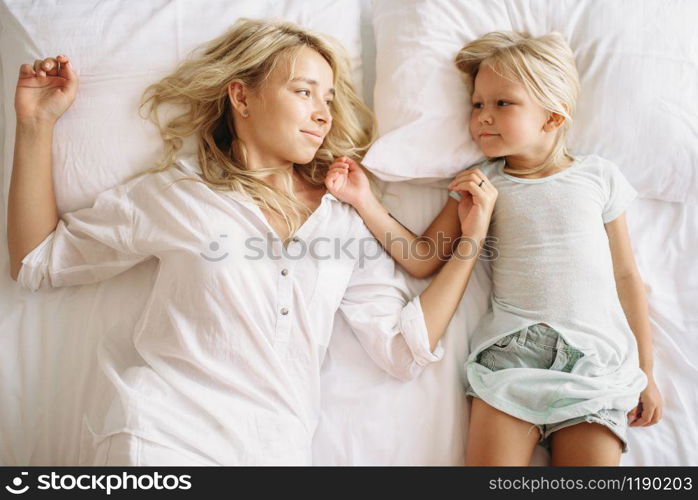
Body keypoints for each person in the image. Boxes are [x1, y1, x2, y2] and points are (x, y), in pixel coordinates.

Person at [7, 18, 496, 465]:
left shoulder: (343, 217)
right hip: (160, 438)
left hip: (275, 453)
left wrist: (469, 244)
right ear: (241, 97)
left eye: (328, 99)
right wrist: (35, 123)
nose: (323, 115)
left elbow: (401, 349)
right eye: (305, 92)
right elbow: (37, 261)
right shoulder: (178, 194)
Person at [324, 31, 662, 466]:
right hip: (511, 357)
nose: (483, 116)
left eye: (503, 103)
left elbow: (627, 277)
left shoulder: (598, 177)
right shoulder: (482, 182)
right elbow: (422, 257)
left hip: (596, 365)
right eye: (478, 104)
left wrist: (646, 373)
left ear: (553, 117)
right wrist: (364, 200)